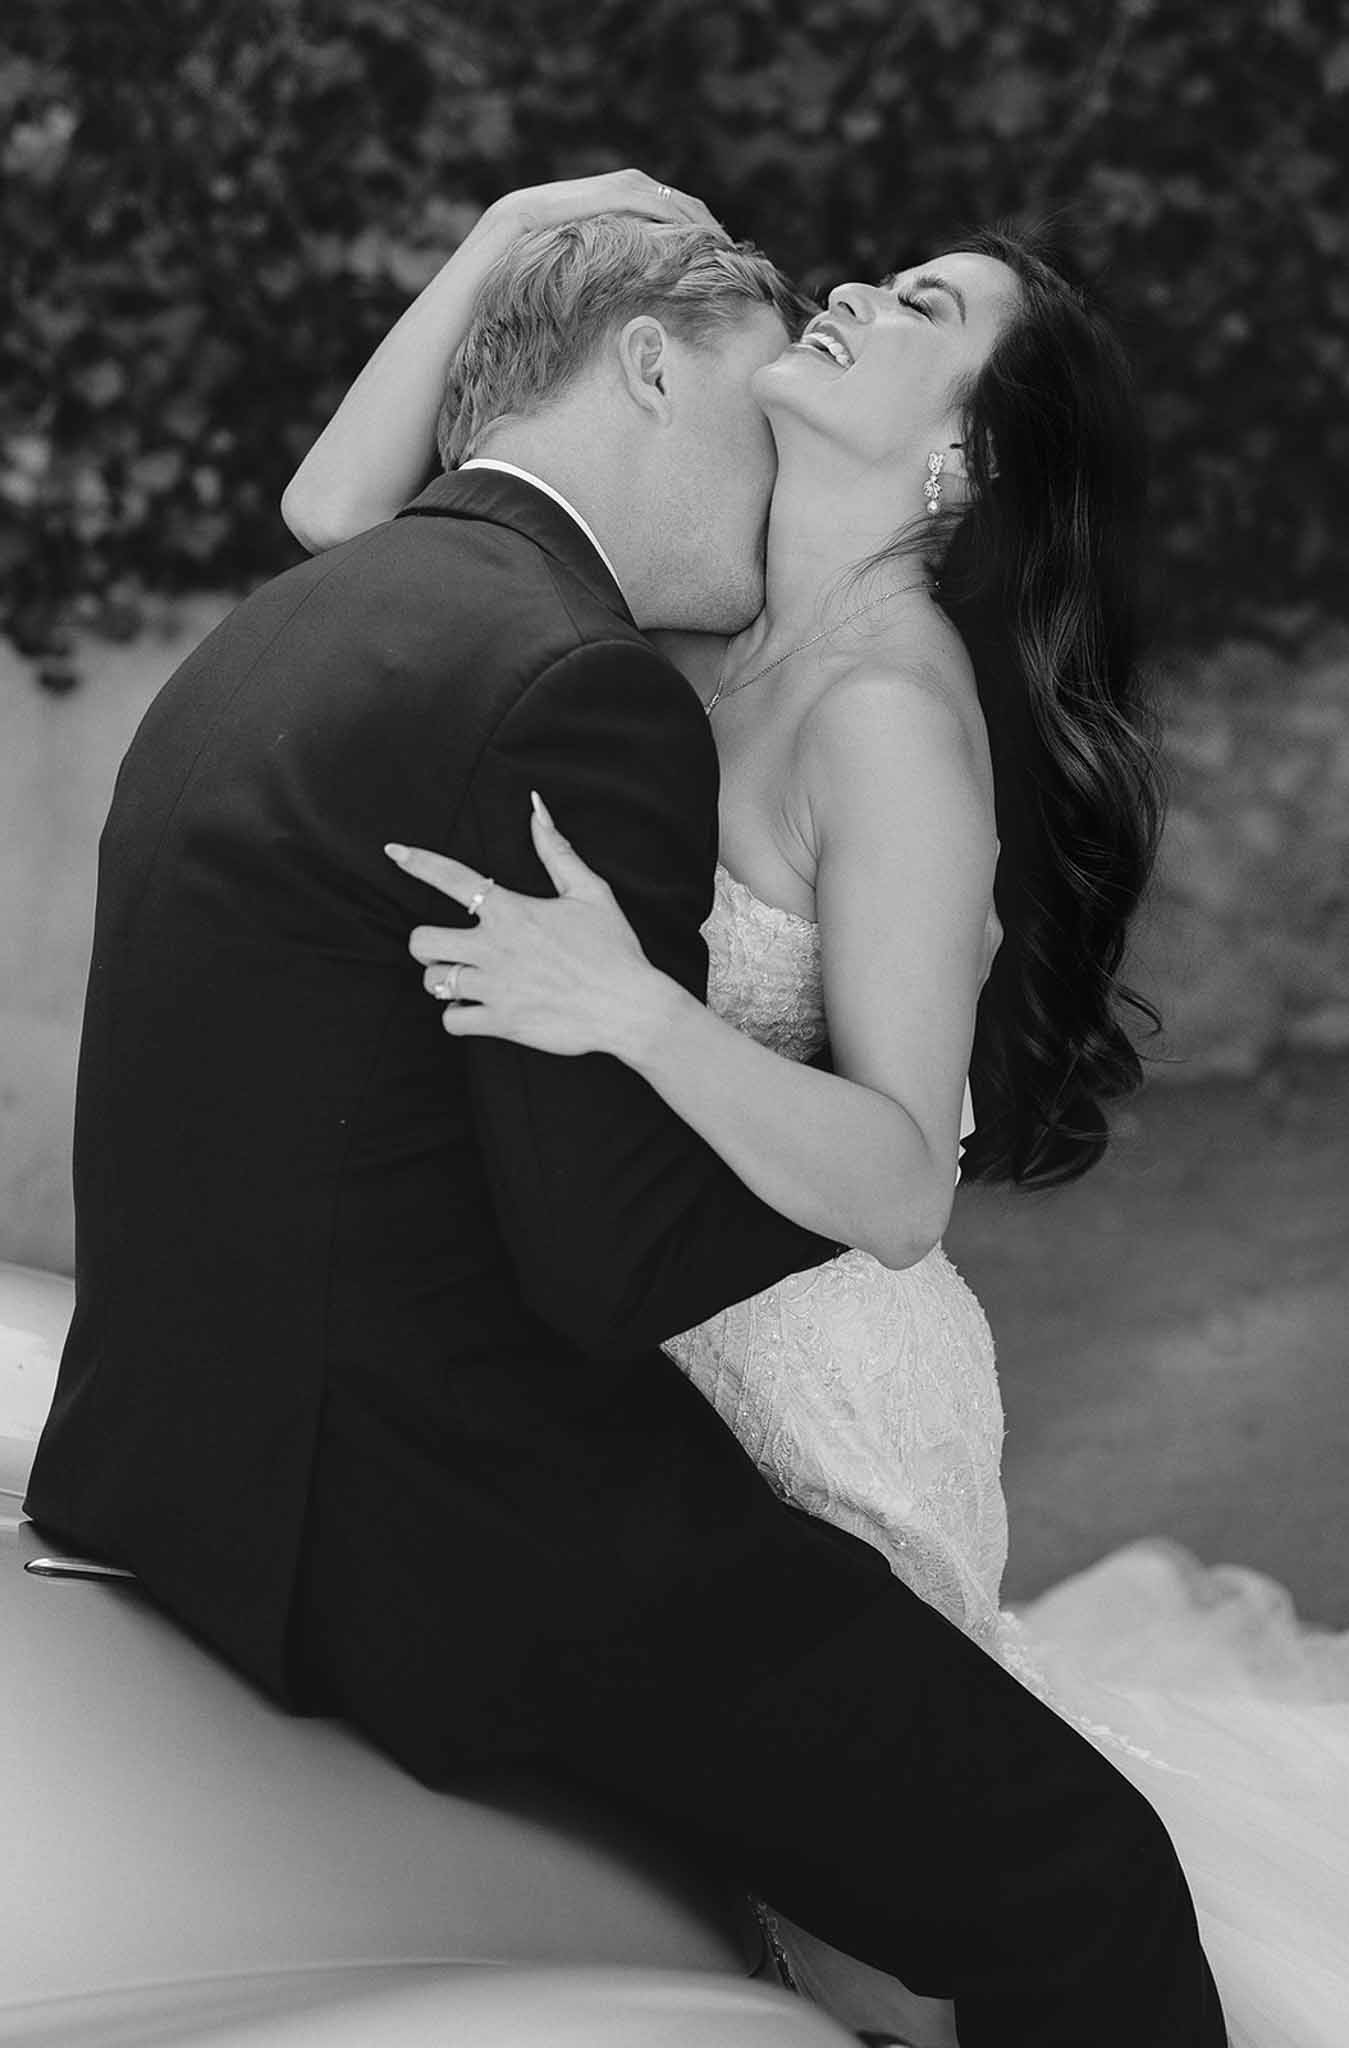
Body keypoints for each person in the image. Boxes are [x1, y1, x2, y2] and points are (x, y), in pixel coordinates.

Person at [26, 182, 1226, 2048]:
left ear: (963, 459)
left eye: (917, 303)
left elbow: (908, 1179)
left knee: (980, 1915)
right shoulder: (683, 633)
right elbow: (355, 526)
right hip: (638, 1338)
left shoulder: (890, 717)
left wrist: (634, 1012)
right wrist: (514, 229)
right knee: (783, 1922)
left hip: (812, 1360)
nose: (846, 291)